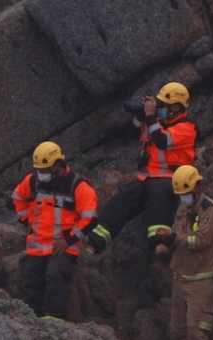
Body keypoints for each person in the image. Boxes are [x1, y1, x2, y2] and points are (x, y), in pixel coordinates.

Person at [82, 82, 198, 260]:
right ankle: (95, 242)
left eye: (166, 105)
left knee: (158, 196)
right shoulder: (156, 122)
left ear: (177, 106)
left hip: (172, 178)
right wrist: (139, 115)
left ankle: (160, 243)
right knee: (122, 200)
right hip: (148, 176)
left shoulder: (187, 128)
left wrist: (150, 116)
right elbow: (135, 134)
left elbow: (161, 140)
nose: (162, 108)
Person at [11, 141, 99, 320]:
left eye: (45, 170)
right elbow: (17, 198)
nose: (41, 174)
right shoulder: (33, 181)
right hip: (38, 244)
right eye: (39, 170)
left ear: (58, 165)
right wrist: (25, 220)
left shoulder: (78, 186)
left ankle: (53, 321)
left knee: (55, 275)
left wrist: (68, 239)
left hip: (64, 246)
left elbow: (90, 219)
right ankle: (31, 318)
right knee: (30, 277)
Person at [164, 165, 213, 340]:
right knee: (177, 331)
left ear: (198, 186)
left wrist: (174, 238)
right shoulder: (182, 207)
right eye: (180, 193)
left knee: (196, 331)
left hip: (201, 280)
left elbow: (203, 240)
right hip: (180, 278)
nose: (183, 197)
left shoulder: (211, 210)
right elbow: (177, 232)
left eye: (186, 192)